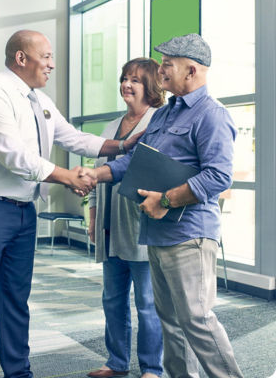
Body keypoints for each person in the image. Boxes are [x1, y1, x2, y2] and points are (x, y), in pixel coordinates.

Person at [0, 29, 141, 378]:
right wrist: (68, 177)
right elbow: (15, 157)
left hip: (22, 210)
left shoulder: (39, 101)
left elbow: (72, 137)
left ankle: (18, 373)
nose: (52, 65)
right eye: (46, 56)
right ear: (21, 58)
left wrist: (121, 145)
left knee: (16, 297)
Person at [82, 33, 244, 378]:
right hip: (156, 233)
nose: (162, 70)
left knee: (197, 320)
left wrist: (167, 200)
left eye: (168, 64)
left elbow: (218, 177)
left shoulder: (211, 115)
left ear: (192, 70)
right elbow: (137, 160)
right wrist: (97, 174)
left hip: (189, 235)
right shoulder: (163, 114)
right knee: (170, 322)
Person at [87, 58, 164, 378]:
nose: (126, 85)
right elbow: (96, 172)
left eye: (135, 79)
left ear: (150, 86)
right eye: (124, 78)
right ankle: (116, 361)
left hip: (141, 226)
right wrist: (92, 215)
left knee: (147, 303)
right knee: (112, 299)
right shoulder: (111, 127)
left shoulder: (157, 120)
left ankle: (151, 367)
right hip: (109, 225)